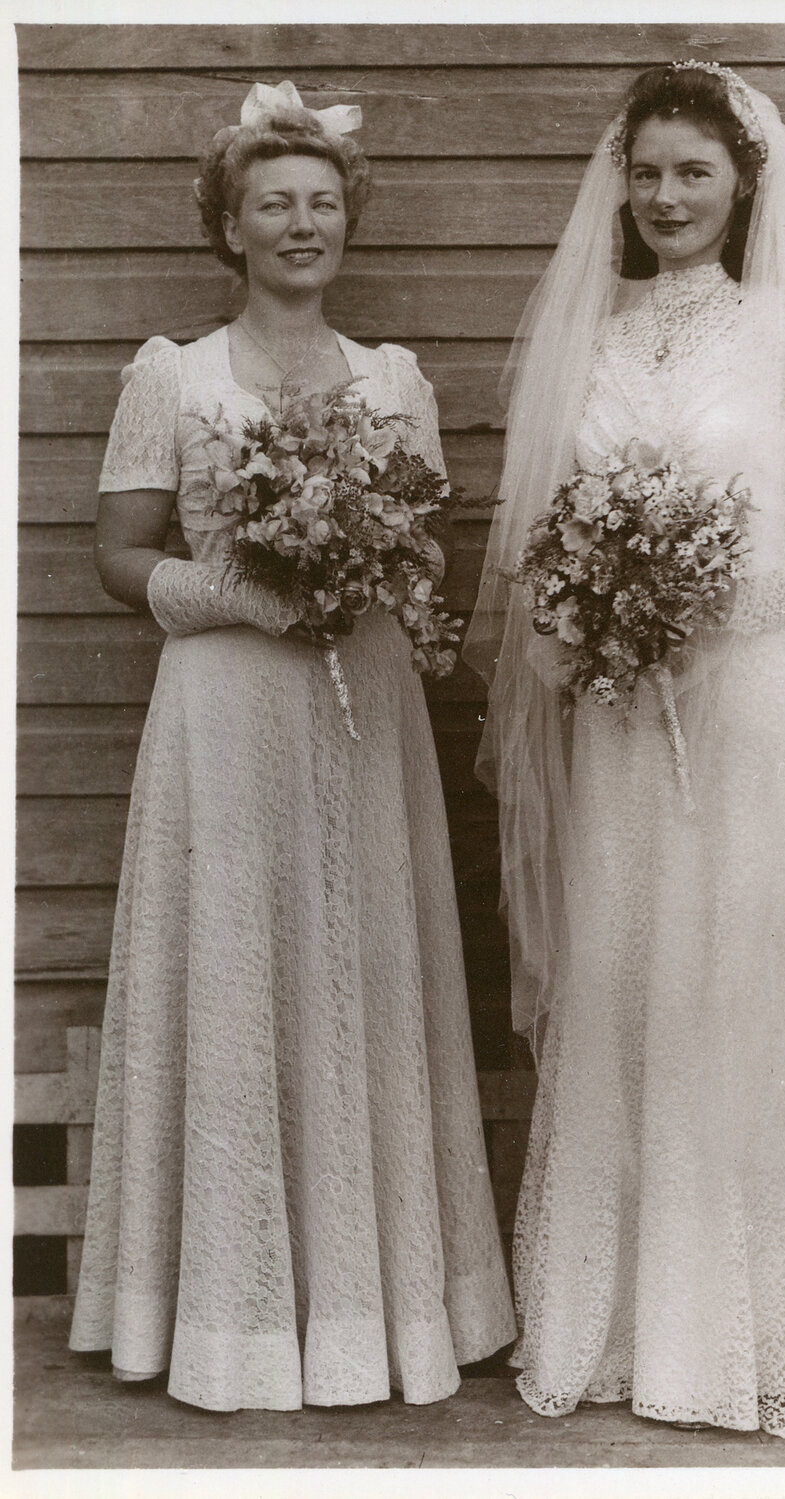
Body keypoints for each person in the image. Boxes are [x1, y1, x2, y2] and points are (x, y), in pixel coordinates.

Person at [466, 61, 785, 1447]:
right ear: (621, 187)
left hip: (759, 707)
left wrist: (733, 606)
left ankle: (775, 1342)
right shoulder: (594, 341)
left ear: (742, 185)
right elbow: (544, 549)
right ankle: (628, 1329)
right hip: (626, 716)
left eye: (694, 173)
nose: (666, 197)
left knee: (750, 993)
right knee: (636, 984)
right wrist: (589, 617)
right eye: (647, 173)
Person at [69, 80, 515, 1413]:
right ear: (231, 227)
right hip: (222, 706)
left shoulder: (394, 382)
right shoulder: (177, 374)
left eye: (323, 203)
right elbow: (118, 553)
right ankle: (229, 1317)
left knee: (358, 968)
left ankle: (381, 1308)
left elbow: (425, 547)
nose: (302, 225)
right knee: (236, 966)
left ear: (346, 224)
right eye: (274, 204)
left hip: (359, 703)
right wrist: (235, 591)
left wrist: (369, 569)